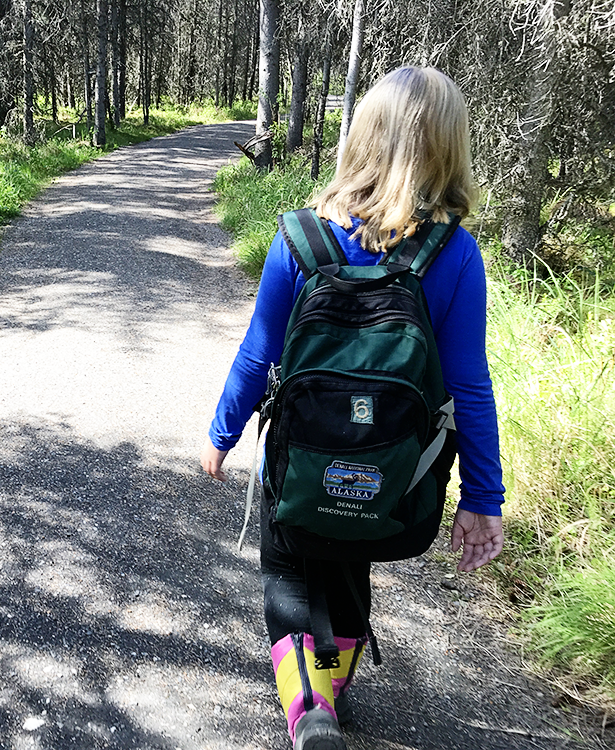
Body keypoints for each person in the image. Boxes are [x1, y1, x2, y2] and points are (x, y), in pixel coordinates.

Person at [200, 66, 505, 750]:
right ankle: (328, 689)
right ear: (449, 149)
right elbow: (471, 387)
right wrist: (484, 497)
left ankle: (309, 707)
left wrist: (221, 434)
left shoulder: (300, 238)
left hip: (301, 458)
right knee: (348, 570)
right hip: (393, 472)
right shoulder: (454, 254)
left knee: (287, 569)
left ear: (360, 138)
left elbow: (258, 356)